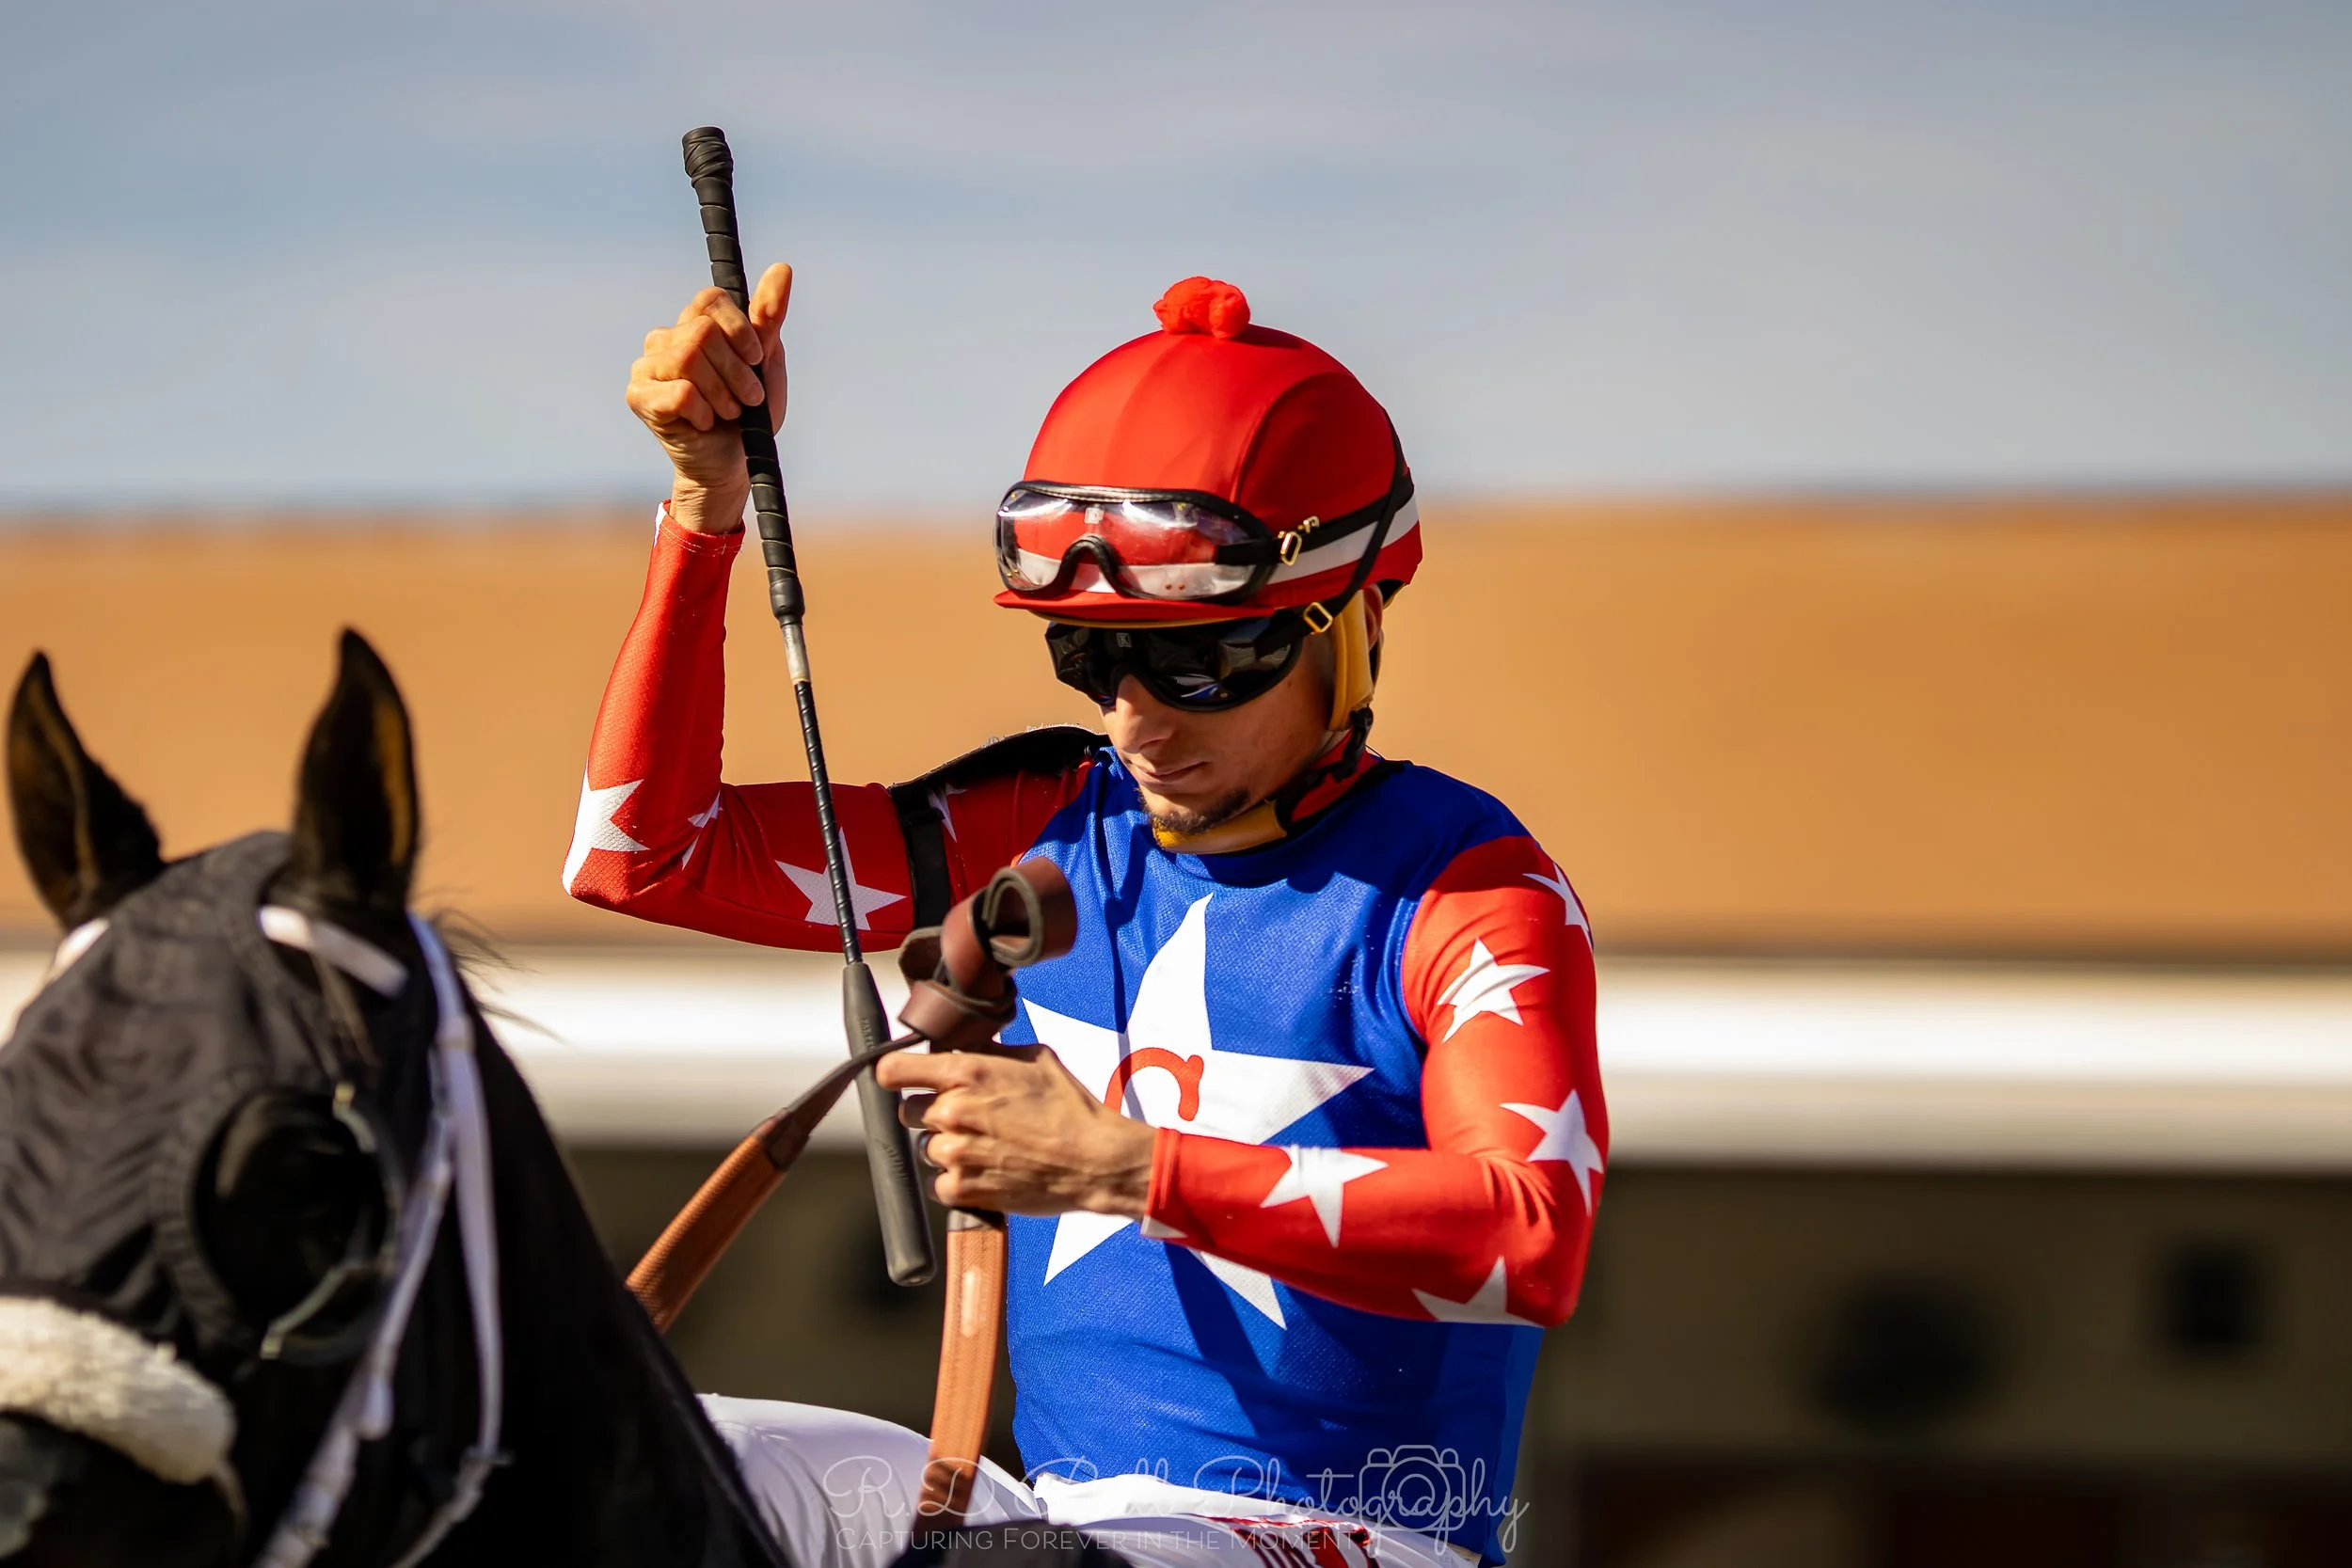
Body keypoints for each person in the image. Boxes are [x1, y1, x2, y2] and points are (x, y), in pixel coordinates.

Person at [568, 268, 1606, 1568]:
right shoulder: (1049, 817)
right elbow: (643, 853)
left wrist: (1123, 1167)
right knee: (595, 1456)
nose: (1134, 717)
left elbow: (1534, 1234)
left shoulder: (1472, 889)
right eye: (1091, 655)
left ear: (1353, 619)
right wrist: (702, 503)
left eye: (1199, 659)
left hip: (1368, 1541)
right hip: (1054, 1524)